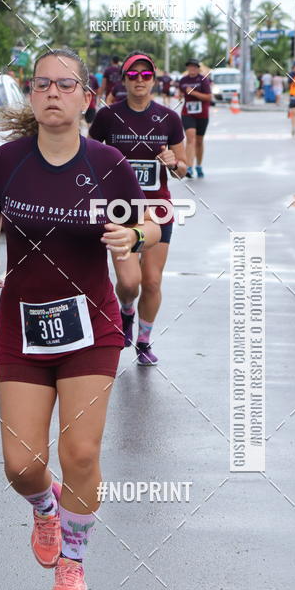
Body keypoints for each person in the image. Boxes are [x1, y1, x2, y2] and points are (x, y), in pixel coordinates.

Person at [0, 47, 160, 590]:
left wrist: (134, 238)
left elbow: (145, 221)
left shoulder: (107, 164)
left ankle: (72, 564)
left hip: (91, 328)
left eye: (64, 84)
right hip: (22, 329)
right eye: (41, 85)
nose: (52, 93)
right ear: (31, 97)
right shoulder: (9, 161)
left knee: (80, 453)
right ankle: (46, 509)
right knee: (21, 464)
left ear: (86, 97)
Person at [90, 51, 187, 364]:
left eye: (146, 76)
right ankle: (126, 310)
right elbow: (88, 155)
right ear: (124, 80)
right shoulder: (107, 117)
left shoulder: (169, 118)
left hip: (158, 208)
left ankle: (144, 340)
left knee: (153, 280)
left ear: (154, 80)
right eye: (133, 75)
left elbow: (183, 166)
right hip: (120, 209)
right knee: (129, 282)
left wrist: (175, 162)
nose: (140, 81)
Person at [179, 58, 212, 178]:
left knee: (199, 141)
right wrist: (181, 96)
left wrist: (193, 93)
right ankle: (189, 167)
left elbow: (208, 97)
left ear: (198, 68)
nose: (192, 69)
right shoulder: (183, 80)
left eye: (194, 67)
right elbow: (181, 94)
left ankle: (198, 165)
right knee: (190, 138)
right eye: (189, 67)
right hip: (188, 113)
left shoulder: (203, 80)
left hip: (202, 114)